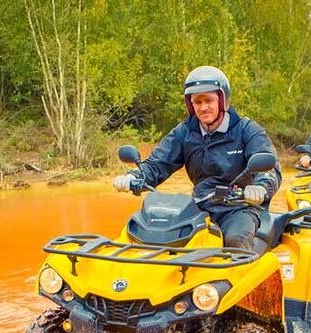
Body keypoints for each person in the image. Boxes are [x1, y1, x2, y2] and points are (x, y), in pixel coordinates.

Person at [113, 65, 282, 251]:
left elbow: (268, 167)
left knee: (236, 241)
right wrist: (134, 176)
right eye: (197, 102)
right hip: (199, 205)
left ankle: (239, 277)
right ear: (190, 104)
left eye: (209, 100)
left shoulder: (247, 130)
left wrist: (260, 187)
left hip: (239, 207)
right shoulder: (185, 132)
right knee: (158, 239)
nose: (203, 107)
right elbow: (157, 164)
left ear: (223, 100)